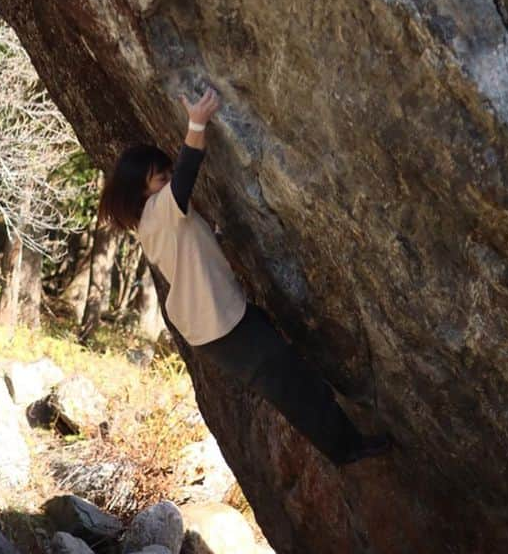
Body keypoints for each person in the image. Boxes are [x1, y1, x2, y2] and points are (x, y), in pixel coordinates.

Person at [100, 85, 391, 466]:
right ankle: (347, 449)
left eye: (166, 173)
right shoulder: (159, 209)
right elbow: (188, 171)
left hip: (217, 322)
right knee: (291, 385)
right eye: (160, 178)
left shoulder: (151, 221)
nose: (169, 180)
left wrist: (214, 238)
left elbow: (187, 245)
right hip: (220, 326)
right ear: (143, 191)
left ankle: (345, 442)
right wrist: (196, 123)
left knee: (289, 372)